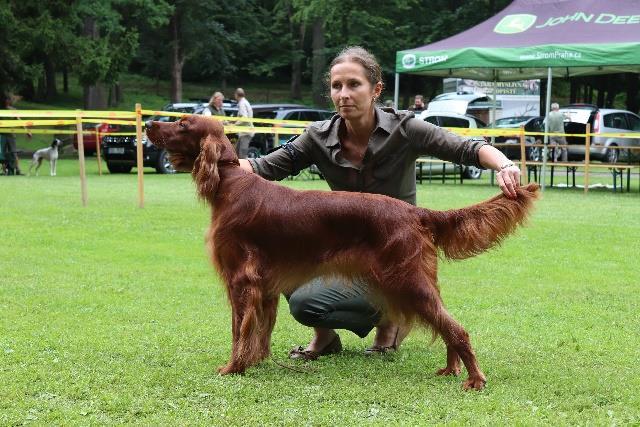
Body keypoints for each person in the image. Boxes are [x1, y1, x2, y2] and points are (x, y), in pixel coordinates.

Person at [237, 46, 520, 360]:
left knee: (328, 295)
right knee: (288, 261)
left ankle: (392, 321)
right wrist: (216, 160)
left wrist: (504, 164)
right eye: (336, 86)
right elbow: (265, 165)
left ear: (376, 89)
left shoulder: (405, 128)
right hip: (339, 252)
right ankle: (325, 337)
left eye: (354, 84)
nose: (344, 94)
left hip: (394, 251)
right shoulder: (317, 136)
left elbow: (465, 147)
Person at [2, 93, 31, 175]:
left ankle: (18, 170)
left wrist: (27, 131)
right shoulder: (2, 110)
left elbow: (19, 121)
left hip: (10, 135)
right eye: (6, 100)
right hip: (2, 135)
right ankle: (5, 170)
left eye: (8, 100)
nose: (7, 101)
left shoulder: (13, 110)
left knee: (13, 153)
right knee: (3, 154)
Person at [234, 88, 254, 159]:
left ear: (236, 95)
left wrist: (234, 125)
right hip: (245, 132)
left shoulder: (242, 103)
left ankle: (243, 169)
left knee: (241, 155)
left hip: (246, 133)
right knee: (236, 153)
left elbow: (244, 118)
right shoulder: (245, 102)